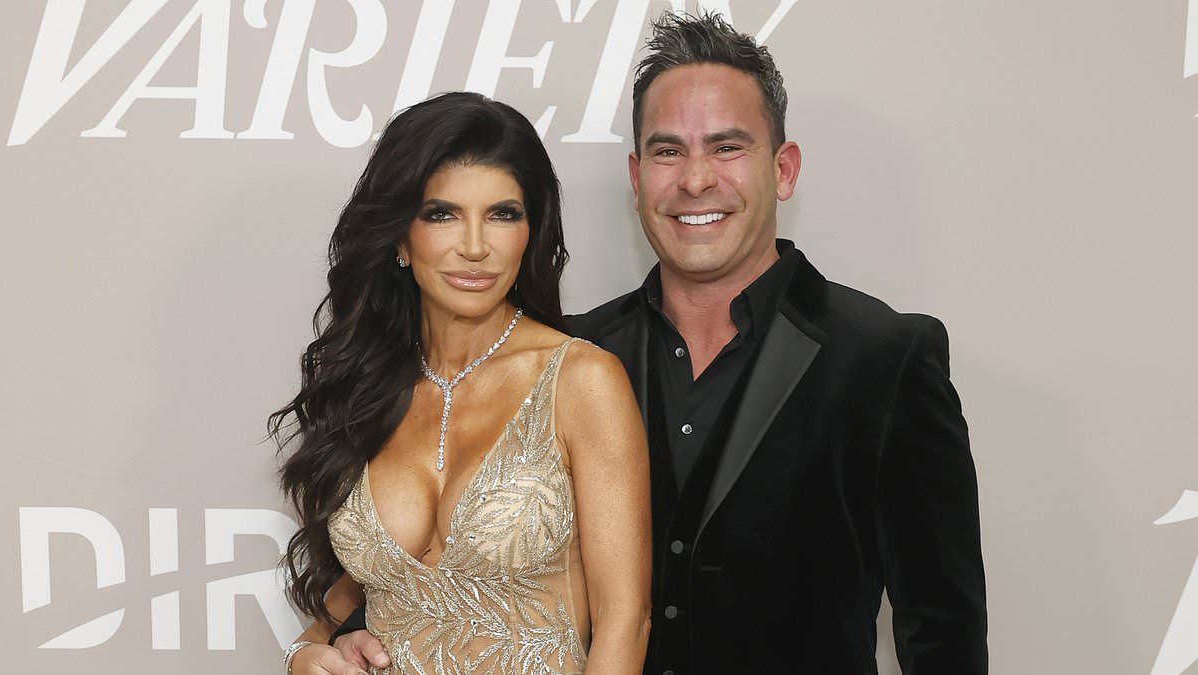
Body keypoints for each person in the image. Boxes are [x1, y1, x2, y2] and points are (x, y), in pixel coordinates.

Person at [330, 12, 988, 674]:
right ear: (637, 175)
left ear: (784, 169)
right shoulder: (571, 357)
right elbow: (467, 579)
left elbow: (943, 632)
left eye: (727, 148)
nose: (695, 180)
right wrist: (337, 638)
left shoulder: (884, 358)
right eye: (668, 152)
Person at [271, 91, 651, 675]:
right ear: (401, 238)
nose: (475, 247)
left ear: (530, 232)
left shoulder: (581, 380)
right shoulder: (369, 385)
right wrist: (304, 654)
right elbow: (369, 588)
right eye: (441, 214)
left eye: (503, 214)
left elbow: (626, 622)